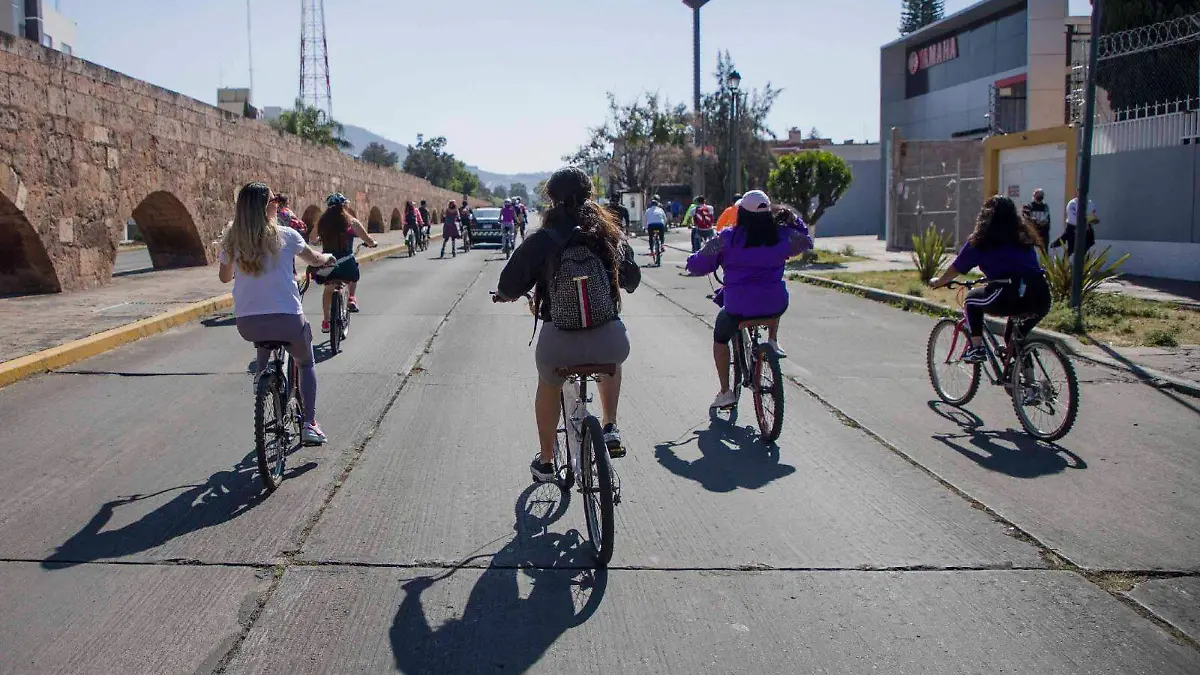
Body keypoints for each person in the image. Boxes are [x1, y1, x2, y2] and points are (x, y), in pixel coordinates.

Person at [494, 167, 641, 483]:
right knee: (610, 361)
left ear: (551, 199)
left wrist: (505, 296)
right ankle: (610, 426)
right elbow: (633, 279)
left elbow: (508, 285)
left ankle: (547, 461)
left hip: (558, 344)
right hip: (610, 340)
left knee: (548, 384)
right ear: (590, 195)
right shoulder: (610, 234)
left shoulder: (543, 240)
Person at [218, 182, 336, 445]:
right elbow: (315, 259)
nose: (278, 205)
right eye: (274, 201)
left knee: (264, 337)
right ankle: (309, 424)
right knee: (305, 362)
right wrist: (327, 257)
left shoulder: (231, 240)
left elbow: (225, 278)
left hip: (247, 323)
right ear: (265, 207)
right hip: (287, 319)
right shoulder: (287, 235)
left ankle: (262, 381)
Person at [686, 190, 813, 409]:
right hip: (776, 304)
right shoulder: (782, 235)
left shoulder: (728, 238)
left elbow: (699, 263)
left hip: (739, 308)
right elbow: (805, 241)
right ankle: (772, 339)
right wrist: (791, 217)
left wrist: (691, 260)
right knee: (772, 297)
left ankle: (726, 391)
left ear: (741, 214)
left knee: (720, 337)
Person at [930, 194, 1052, 364]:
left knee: (971, 301)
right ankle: (1026, 383)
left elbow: (956, 268)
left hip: (1009, 294)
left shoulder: (981, 241)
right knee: (1015, 340)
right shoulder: (1024, 237)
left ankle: (977, 349)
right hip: (1040, 294)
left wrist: (938, 282)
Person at [313, 193, 378, 331]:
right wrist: (372, 243)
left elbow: (312, 238)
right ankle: (351, 298)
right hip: (346, 264)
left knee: (328, 289)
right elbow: (367, 239)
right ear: (344, 206)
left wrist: (320, 238)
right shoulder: (352, 222)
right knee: (353, 272)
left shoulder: (322, 222)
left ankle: (326, 321)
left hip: (327, 264)